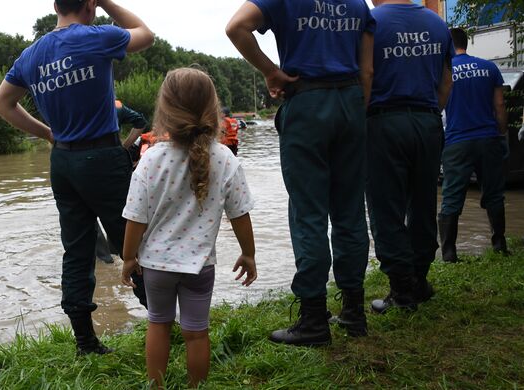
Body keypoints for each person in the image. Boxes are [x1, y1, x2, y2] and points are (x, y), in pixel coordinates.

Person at [0, 0, 154, 355]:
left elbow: (2, 104)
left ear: (54, 5)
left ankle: (85, 341)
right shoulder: (95, 36)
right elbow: (146, 34)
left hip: (62, 162)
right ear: (90, 5)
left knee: (77, 252)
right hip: (103, 158)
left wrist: (48, 133)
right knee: (135, 244)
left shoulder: (31, 55)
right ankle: (164, 324)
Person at [226, 0, 375, 345]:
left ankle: (313, 319)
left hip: (307, 105)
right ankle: (354, 312)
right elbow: (367, 72)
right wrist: (355, 107)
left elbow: (236, 27)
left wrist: (270, 71)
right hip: (351, 101)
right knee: (351, 211)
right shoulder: (358, 4)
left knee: (308, 212)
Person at [121, 68, 257, 388]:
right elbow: (240, 214)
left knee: (158, 324)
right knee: (197, 333)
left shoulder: (151, 159)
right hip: (199, 267)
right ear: (212, 109)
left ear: (164, 112)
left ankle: (157, 386)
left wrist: (128, 258)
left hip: (155, 266)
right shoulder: (224, 158)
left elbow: (135, 218)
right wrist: (248, 254)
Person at [366, 0, 454, 314]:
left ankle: (402, 289)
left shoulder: (371, 20)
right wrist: (431, 114)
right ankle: (420, 279)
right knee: (424, 201)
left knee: (386, 207)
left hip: (383, 122)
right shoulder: (437, 23)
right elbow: (446, 81)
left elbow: (366, 73)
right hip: (428, 121)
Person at [438, 27, 509, 262]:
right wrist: (501, 135)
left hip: (457, 142)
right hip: (488, 139)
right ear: (466, 43)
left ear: (449, 44)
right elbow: (499, 106)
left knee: (451, 197)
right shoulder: (489, 68)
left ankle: (449, 254)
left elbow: (437, 107)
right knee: (494, 194)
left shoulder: (444, 71)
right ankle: (499, 245)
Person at [95, 99, 149, 264]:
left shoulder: (75, 102)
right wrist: (124, 146)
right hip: (114, 163)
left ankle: (104, 259)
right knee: (119, 209)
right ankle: (120, 251)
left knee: (87, 210)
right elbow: (141, 122)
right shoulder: (116, 105)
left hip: (83, 162)